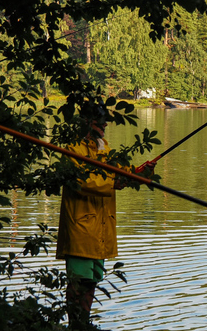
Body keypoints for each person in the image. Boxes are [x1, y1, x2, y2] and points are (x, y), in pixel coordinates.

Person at [56, 116, 154, 328]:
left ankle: (83, 323)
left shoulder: (105, 149)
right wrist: (114, 181)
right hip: (81, 229)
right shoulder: (73, 149)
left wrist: (137, 174)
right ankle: (76, 325)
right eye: (100, 121)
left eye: (104, 121)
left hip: (101, 229)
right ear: (86, 122)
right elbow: (83, 181)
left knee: (91, 281)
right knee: (78, 282)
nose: (105, 126)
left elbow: (118, 173)